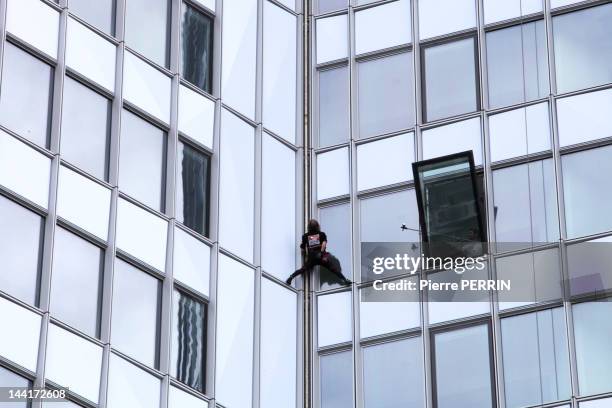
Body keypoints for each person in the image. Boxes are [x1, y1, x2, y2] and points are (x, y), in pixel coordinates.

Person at [286, 219, 352, 286]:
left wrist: (305, 254)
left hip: (311, 257)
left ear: (308, 227)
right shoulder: (322, 234)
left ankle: (291, 277)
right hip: (321, 256)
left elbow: (303, 247)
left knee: (303, 269)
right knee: (333, 268)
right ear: (317, 226)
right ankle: (345, 280)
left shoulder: (305, 236)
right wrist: (321, 253)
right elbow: (323, 244)